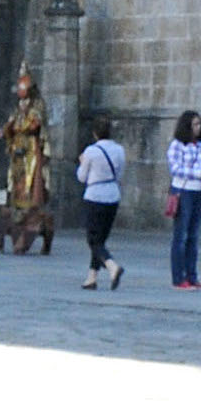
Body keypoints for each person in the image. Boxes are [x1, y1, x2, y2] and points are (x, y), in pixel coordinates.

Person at [0, 69, 53, 254]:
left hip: (31, 149)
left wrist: (18, 126)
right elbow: (11, 123)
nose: (19, 91)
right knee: (16, 179)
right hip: (17, 149)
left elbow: (35, 125)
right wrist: (3, 131)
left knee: (31, 181)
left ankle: (30, 213)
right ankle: (15, 211)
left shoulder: (37, 105)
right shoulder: (18, 107)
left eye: (22, 87)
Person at [166, 110, 201, 289]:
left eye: (199, 124)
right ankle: (178, 277)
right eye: (194, 124)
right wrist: (198, 173)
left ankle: (192, 275)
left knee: (193, 236)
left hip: (198, 191)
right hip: (183, 191)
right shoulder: (177, 145)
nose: (198, 127)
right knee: (181, 236)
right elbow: (175, 169)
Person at [75, 118, 125, 291]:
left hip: (95, 195)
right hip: (113, 194)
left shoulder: (91, 151)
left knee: (93, 239)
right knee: (101, 239)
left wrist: (82, 162)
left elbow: (81, 177)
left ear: (95, 133)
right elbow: (120, 174)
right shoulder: (119, 150)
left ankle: (112, 266)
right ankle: (92, 277)